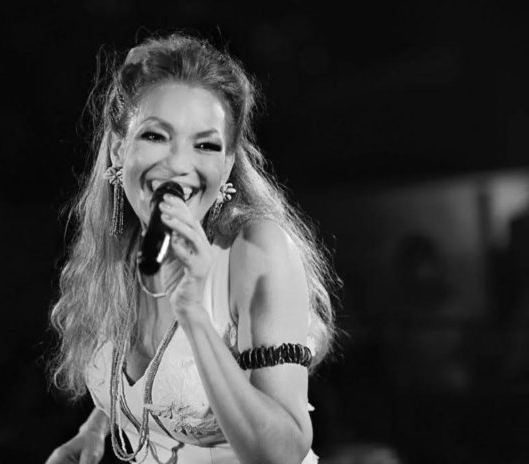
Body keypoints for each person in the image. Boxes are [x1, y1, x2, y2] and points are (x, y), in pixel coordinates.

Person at [46, 33, 337, 464]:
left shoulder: (255, 250)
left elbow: (282, 453)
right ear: (118, 149)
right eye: (156, 136)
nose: (179, 165)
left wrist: (194, 315)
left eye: (205, 145)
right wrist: (93, 429)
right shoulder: (121, 251)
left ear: (227, 163)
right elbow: (154, 383)